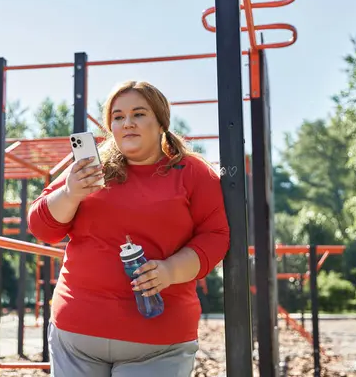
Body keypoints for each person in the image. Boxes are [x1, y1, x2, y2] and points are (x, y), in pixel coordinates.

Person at [27, 80, 230, 377]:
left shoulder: (192, 171)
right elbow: (42, 227)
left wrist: (170, 271)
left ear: (161, 122)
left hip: (159, 340)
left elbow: (215, 237)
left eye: (138, 114)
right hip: (78, 331)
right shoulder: (90, 166)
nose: (128, 123)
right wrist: (70, 193)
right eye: (118, 117)